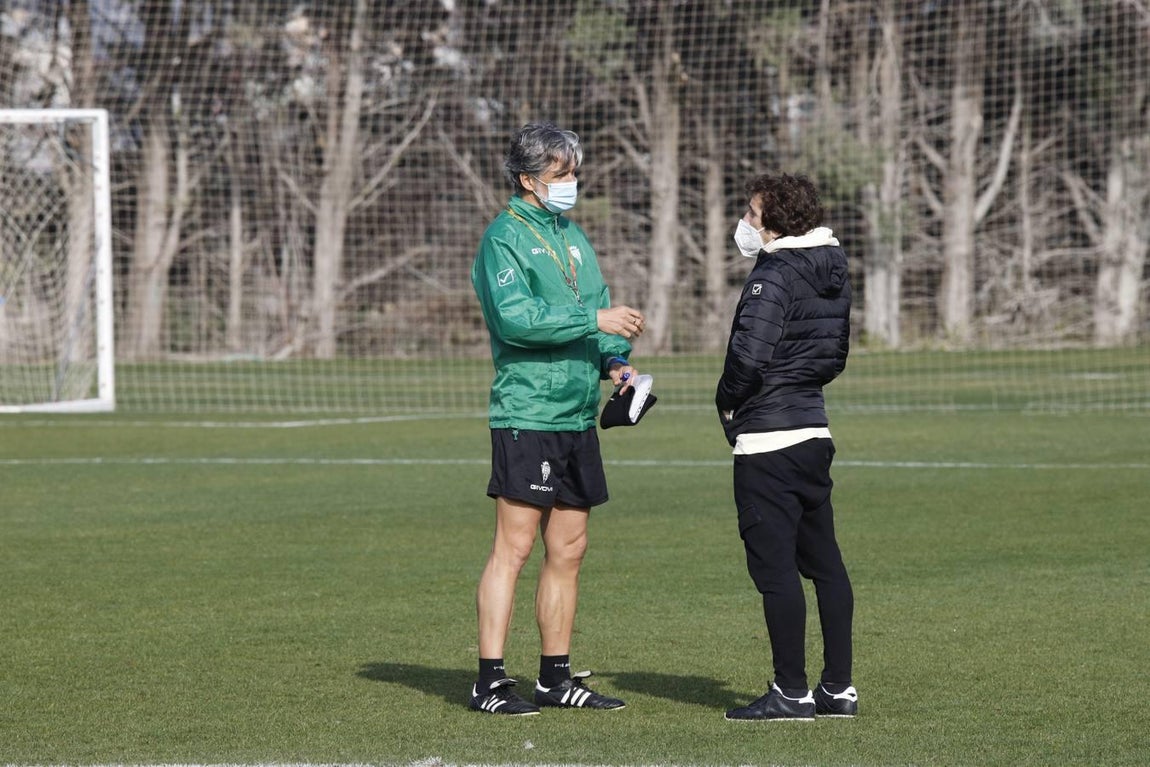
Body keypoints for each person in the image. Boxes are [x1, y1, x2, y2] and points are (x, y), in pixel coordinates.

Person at [469, 122, 644, 716]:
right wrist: (597, 323)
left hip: (576, 414)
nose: (571, 183)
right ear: (527, 180)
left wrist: (617, 366)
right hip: (528, 409)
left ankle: (554, 678)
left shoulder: (571, 235)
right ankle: (490, 681)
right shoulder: (503, 240)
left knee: (569, 549)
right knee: (513, 548)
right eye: (560, 175)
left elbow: (593, 311)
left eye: (573, 173)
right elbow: (515, 320)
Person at [716, 173, 858, 721]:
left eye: (751, 214)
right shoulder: (833, 267)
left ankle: (791, 692)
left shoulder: (772, 272)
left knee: (775, 572)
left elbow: (747, 359)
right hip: (813, 432)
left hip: (769, 441)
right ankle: (838, 689)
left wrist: (727, 401)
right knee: (826, 566)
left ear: (774, 223)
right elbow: (835, 355)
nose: (746, 223)